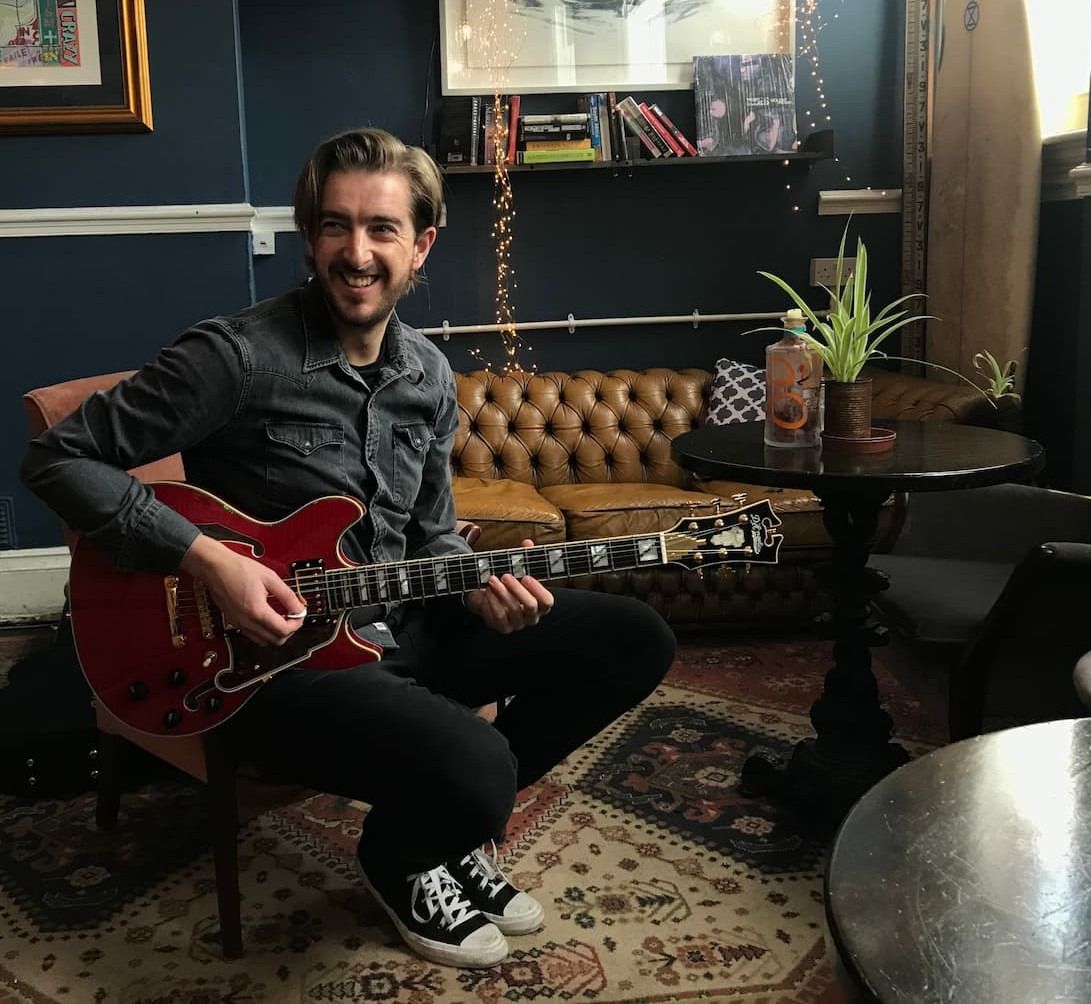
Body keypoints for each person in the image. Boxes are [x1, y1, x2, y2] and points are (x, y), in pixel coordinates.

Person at [20, 127, 676, 969]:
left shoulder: (429, 376)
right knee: (483, 770)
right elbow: (57, 457)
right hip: (277, 663)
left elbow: (431, 530)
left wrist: (477, 587)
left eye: (381, 229)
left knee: (633, 642)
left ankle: (448, 829)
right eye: (335, 226)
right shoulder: (236, 358)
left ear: (422, 245)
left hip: (400, 623)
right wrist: (207, 561)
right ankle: (404, 855)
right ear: (310, 236)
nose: (356, 253)